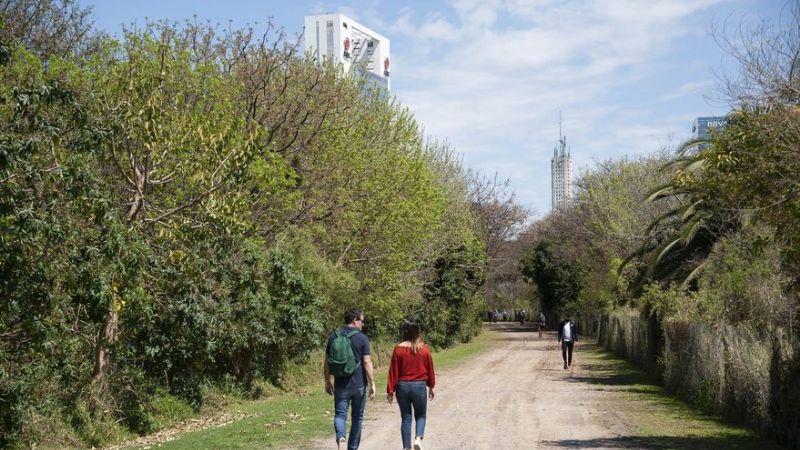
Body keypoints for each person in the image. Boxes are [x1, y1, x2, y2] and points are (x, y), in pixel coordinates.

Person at [325, 308, 376, 450]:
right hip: (359, 384)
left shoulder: (334, 336)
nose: (363, 324)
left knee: (340, 415)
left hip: (341, 384)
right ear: (355, 320)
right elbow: (367, 361)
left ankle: (341, 437)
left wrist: (328, 381)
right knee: (357, 419)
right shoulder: (362, 338)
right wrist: (372, 383)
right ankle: (352, 448)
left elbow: (327, 361)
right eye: (362, 321)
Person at [387, 319, 436, 450]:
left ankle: (406, 447)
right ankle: (418, 438)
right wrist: (431, 386)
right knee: (421, 415)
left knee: (406, 418)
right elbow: (430, 370)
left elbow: (393, 371)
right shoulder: (424, 350)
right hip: (419, 386)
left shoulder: (398, 349)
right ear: (418, 333)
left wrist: (390, 390)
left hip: (402, 387)